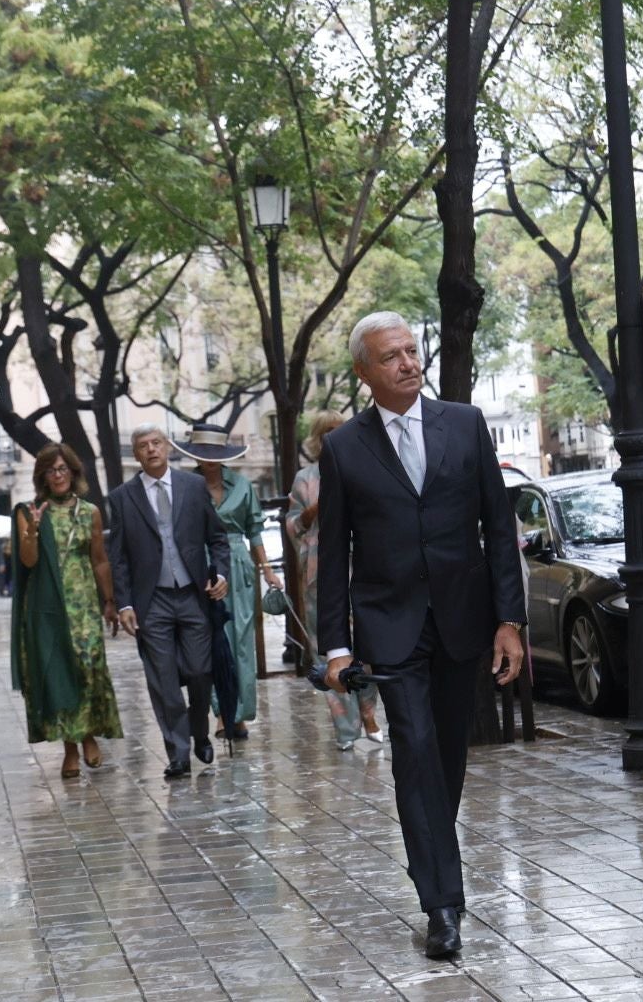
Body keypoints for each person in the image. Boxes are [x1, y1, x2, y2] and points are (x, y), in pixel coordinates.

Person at [318, 311, 526, 959]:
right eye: (392, 356)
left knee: (446, 761)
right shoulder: (344, 448)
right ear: (364, 372)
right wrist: (336, 646)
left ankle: (434, 858)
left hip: (464, 620)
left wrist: (509, 621)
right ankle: (441, 904)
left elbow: (499, 524)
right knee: (413, 749)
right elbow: (333, 555)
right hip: (391, 625)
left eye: (412, 351)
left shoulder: (463, 424)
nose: (409, 363)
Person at [106, 425, 231, 780]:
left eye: (156, 443)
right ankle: (178, 753)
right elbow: (118, 557)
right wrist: (125, 604)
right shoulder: (122, 497)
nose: (151, 450)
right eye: (142, 445)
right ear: (136, 454)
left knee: (199, 670)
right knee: (162, 680)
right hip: (152, 600)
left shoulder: (193, 488)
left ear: (167, 448)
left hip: (193, 593)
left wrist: (220, 575)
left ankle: (201, 732)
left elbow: (217, 538)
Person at [11, 444, 123, 779]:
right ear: (42, 475)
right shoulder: (27, 511)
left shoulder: (89, 512)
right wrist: (32, 529)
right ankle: (70, 748)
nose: (58, 476)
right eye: (51, 470)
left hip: (82, 601)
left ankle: (89, 733)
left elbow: (99, 559)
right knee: (58, 672)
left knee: (88, 665)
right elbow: (28, 561)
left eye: (63, 469)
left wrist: (110, 601)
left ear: (73, 473)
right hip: (45, 606)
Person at [285, 410, 384, 751]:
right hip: (320, 578)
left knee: (367, 648)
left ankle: (369, 712)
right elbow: (293, 526)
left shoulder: (363, 469)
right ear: (317, 437)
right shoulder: (305, 478)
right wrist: (314, 510)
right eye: (329, 431)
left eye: (342, 430)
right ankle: (346, 727)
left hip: (364, 572)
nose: (336, 436)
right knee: (327, 653)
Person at [177, 425, 282, 741]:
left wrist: (266, 570)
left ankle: (239, 713)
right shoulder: (186, 487)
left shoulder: (243, 485)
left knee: (241, 642)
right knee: (210, 639)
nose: (209, 460)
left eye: (215, 454)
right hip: (200, 564)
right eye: (202, 454)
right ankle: (222, 712)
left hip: (238, 563)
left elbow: (254, 529)